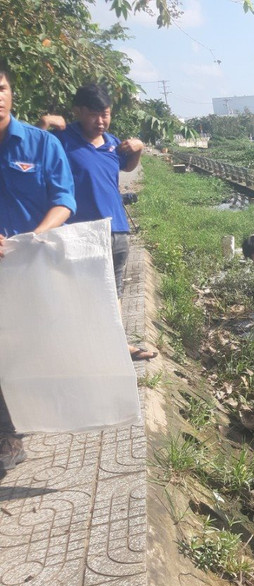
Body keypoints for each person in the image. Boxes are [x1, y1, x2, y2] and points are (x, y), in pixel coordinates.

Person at [37, 83, 155, 361]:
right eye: (93, 114)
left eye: (106, 114)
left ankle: (117, 346)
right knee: (80, 292)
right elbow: (33, 157)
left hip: (117, 231)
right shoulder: (61, 139)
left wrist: (138, 149)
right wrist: (42, 126)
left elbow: (126, 167)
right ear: (77, 111)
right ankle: (82, 349)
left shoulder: (114, 143)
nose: (100, 121)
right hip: (80, 232)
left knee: (113, 291)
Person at [0, 67, 77, 473]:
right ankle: (7, 435)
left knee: (30, 342)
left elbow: (64, 200)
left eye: (1, 88)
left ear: (11, 93)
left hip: (31, 262)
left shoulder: (41, 144)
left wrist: (31, 237)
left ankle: (27, 413)